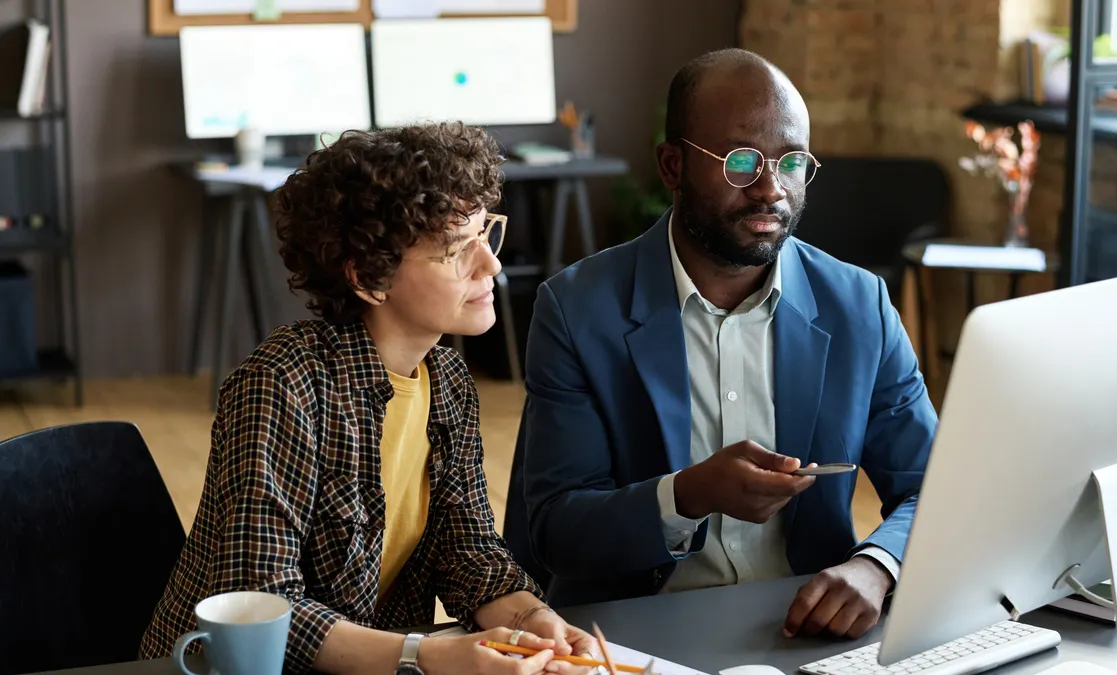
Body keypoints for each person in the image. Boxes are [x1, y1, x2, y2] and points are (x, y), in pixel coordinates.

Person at [140, 125, 597, 675]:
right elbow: (260, 604)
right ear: (369, 277)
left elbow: (469, 555)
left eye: (486, 235)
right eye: (457, 250)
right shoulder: (284, 382)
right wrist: (425, 656)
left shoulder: (447, 381)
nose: (491, 266)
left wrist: (535, 621)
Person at [520, 48, 938, 641]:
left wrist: (877, 567)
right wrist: (685, 495)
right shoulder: (578, 309)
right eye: (741, 161)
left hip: (806, 627)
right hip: (635, 633)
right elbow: (557, 531)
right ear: (672, 165)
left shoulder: (857, 305)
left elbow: (932, 486)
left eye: (792, 161)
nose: (771, 189)